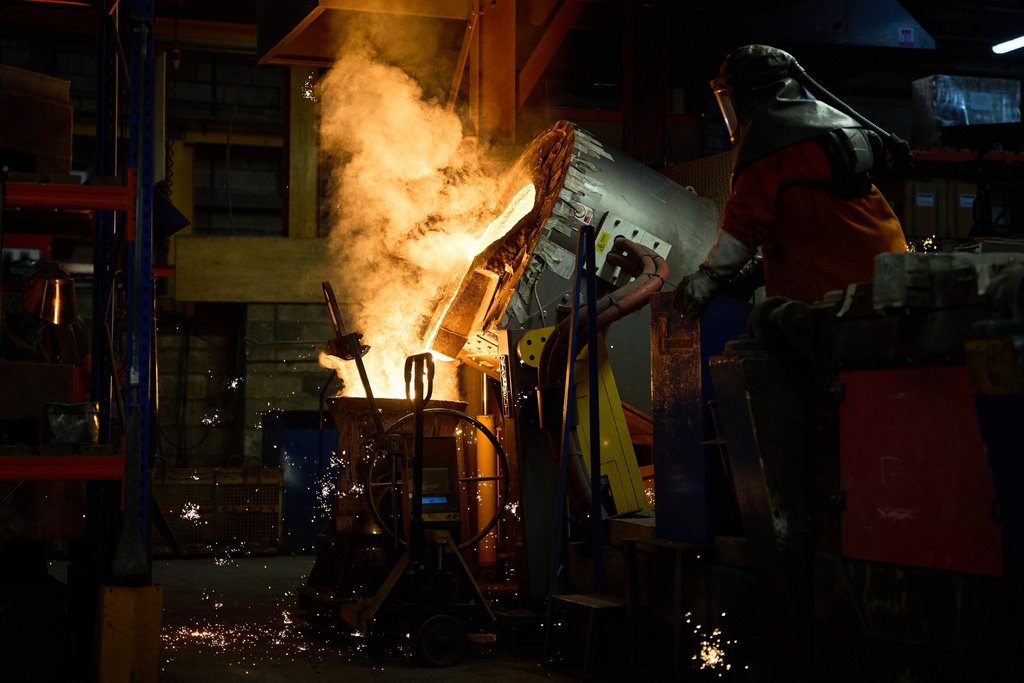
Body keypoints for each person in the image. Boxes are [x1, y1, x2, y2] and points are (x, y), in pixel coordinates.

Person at [674, 44, 909, 319]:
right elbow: (816, 218)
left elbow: (744, 225)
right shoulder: (824, 129)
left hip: (838, 296)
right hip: (884, 276)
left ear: (749, 92)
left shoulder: (772, 143)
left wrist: (707, 278)